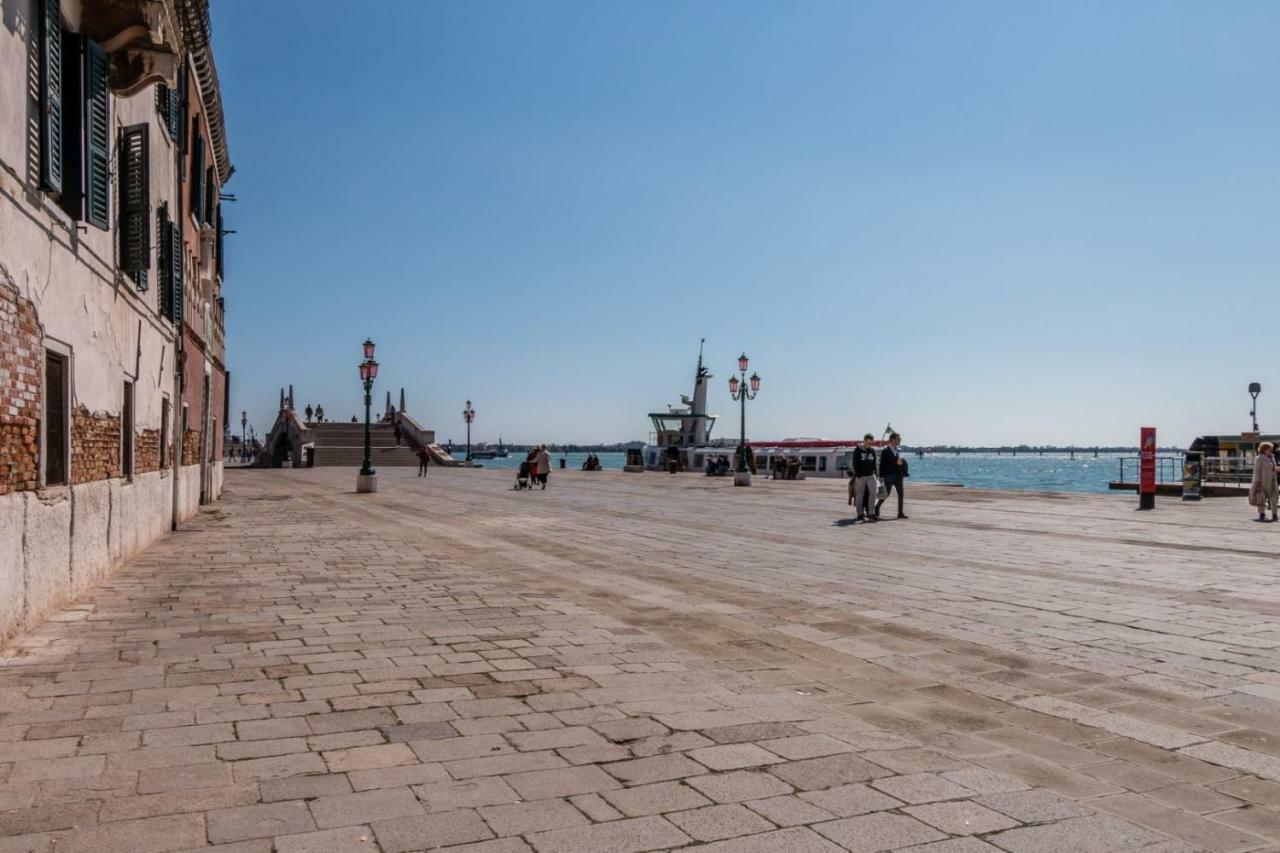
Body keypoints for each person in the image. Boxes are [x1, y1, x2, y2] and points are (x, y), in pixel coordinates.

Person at [875, 432, 909, 519]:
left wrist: (901, 465)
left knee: (901, 494)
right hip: (888, 476)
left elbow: (898, 462)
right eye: (898, 438)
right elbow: (882, 465)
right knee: (886, 494)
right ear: (893, 440)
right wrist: (881, 477)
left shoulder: (898, 450)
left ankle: (900, 513)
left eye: (899, 438)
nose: (900, 440)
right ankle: (876, 507)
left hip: (898, 476)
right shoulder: (885, 451)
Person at [850, 434, 879, 521]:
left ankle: (871, 513)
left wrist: (876, 475)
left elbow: (874, 463)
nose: (868, 444)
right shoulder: (858, 449)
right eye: (867, 442)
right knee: (860, 494)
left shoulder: (872, 450)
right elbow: (855, 463)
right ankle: (860, 513)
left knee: (873, 494)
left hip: (871, 475)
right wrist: (858, 474)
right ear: (864, 441)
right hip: (861, 476)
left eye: (870, 442)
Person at [1251, 442, 1278, 522]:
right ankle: (1262, 513)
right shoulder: (1259, 458)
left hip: (1273, 481)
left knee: (1274, 498)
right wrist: (1257, 481)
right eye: (1269, 449)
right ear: (1264, 449)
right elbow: (1256, 471)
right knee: (1261, 497)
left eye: (1271, 449)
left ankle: (1274, 514)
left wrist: (1276, 468)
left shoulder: (1272, 457)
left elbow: (1273, 468)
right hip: (1262, 481)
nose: (1271, 450)